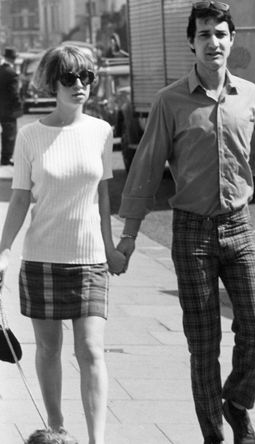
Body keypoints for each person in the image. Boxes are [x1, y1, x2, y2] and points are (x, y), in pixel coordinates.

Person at [116, 2, 255, 444]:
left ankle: (237, 404)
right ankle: (214, 434)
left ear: (232, 40)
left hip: (240, 227)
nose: (214, 42)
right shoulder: (170, 101)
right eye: (204, 34)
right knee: (203, 343)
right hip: (191, 233)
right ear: (192, 41)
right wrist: (129, 236)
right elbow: (146, 170)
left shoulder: (250, 95)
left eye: (221, 33)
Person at [0, 45, 126, 444]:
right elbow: (20, 198)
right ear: (52, 82)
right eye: (70, 78)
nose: (79, 86)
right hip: (42, 258)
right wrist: (3, 251)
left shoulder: (101, 131)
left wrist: (111, 248)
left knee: (90, 350)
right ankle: (56, 430)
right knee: (49, 350)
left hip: (89, 260)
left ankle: (96, 440)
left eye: (86, 77)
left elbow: (104, 198)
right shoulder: (30, 136)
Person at [0, 47, 23, 165]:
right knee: (10, 134)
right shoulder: (12, 73)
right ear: (13, 59)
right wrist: (18, 106)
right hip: (9, 110)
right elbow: (14, 93)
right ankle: (6, 158)